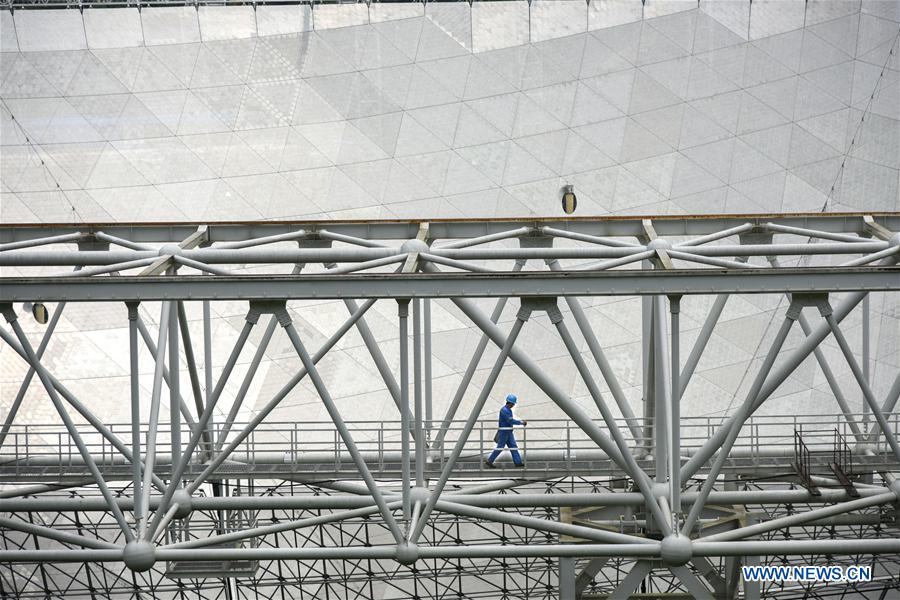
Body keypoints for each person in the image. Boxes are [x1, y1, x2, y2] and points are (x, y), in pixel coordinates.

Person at [485, 394, 527, 468]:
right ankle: (489, 461)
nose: (514, 405)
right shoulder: (504, 410)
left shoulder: (508, 410)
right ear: (510, 403)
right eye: (513, 403)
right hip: (504, 432)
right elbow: (510, 421)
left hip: (508, 431)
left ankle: (518, 462)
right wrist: (521, 422)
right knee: (500, 447)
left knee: (513, 446)